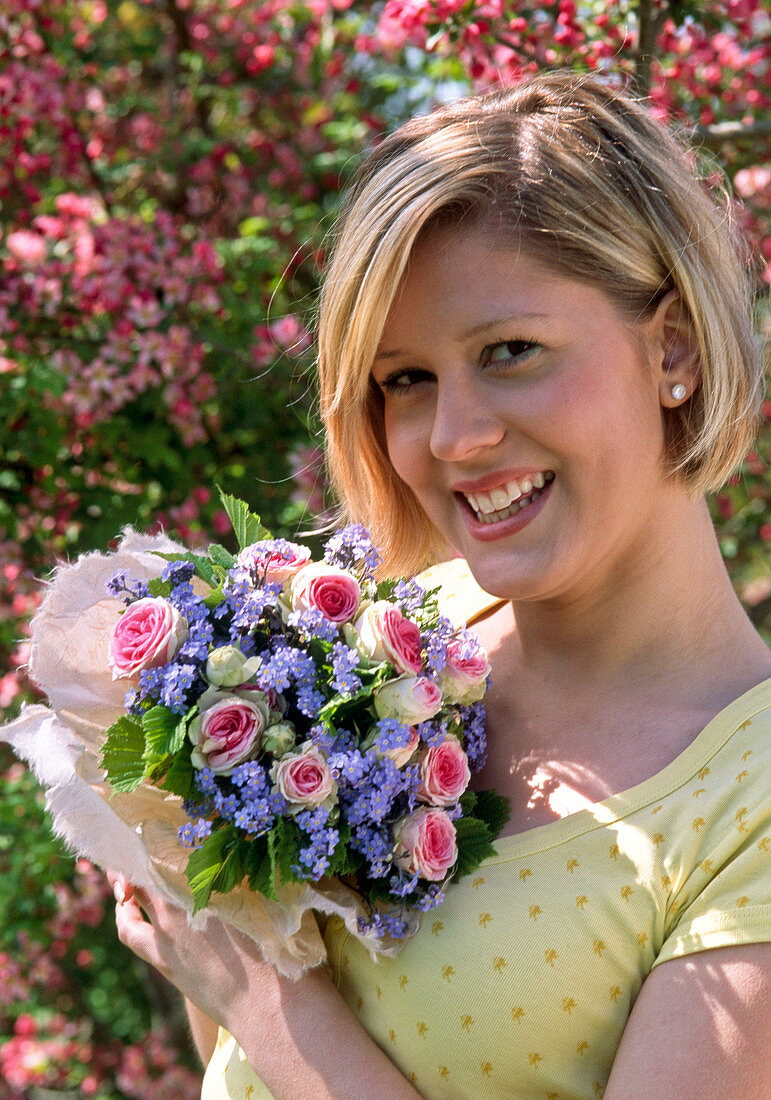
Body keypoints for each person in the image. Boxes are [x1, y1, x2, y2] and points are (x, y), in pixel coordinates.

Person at [109, 71, 771, 1099]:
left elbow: (274, 1034)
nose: (453, 436)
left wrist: (266, 1002)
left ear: (673, 347)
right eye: (404, 379)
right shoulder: (388, 640)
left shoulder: (751, 802)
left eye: (510, 351)